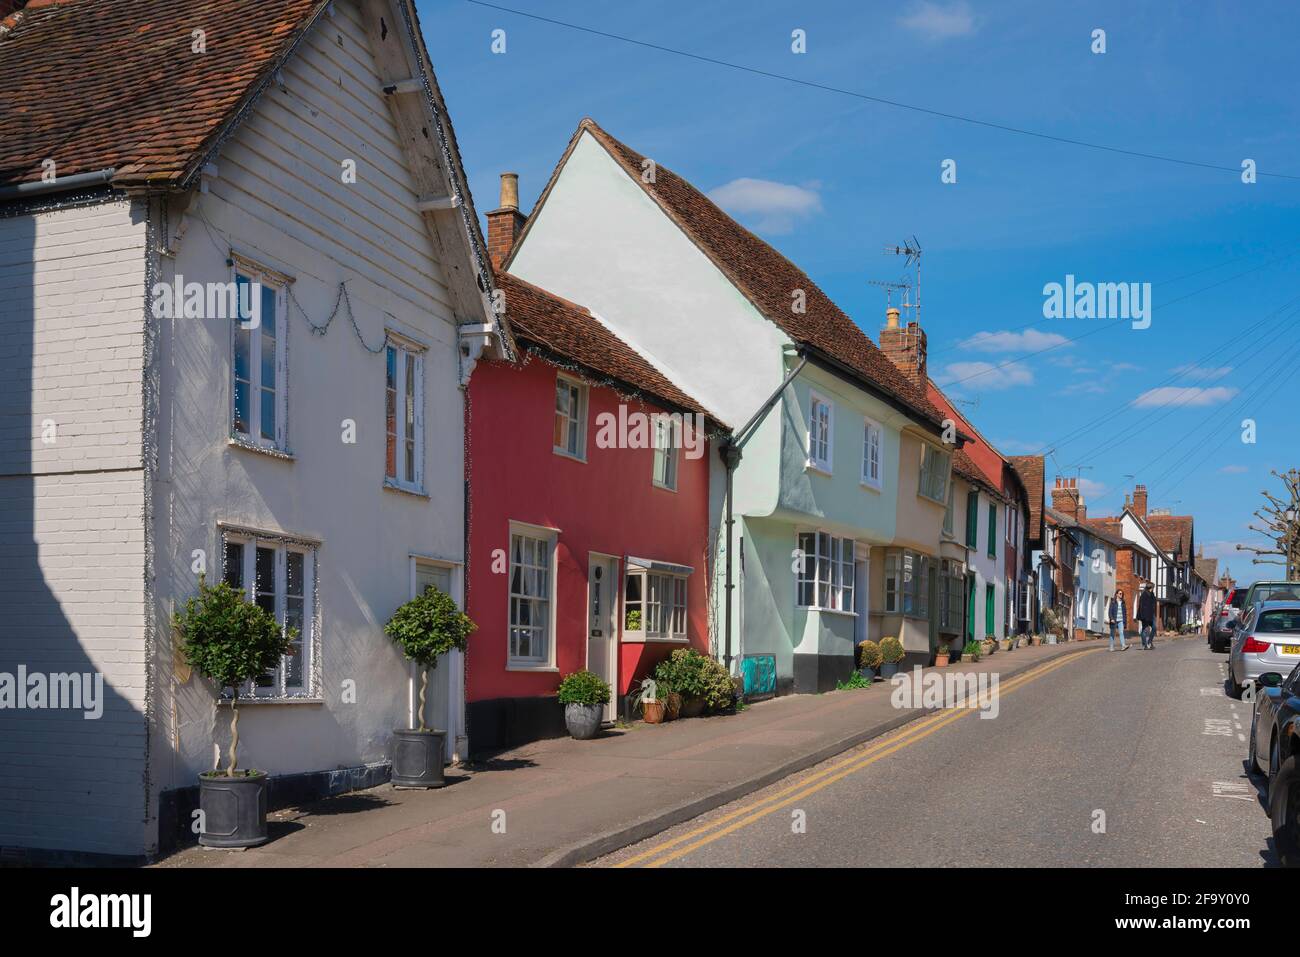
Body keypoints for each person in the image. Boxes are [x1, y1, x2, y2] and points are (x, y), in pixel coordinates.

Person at [1135, 580, 1157, 650]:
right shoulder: (1143, 595)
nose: (1153, 589)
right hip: (1145, 615)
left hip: (1151, 615)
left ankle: (1149, 642)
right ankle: (1145, 645)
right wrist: (1143, 617)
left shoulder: (1152, 595)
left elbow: (1153, 604)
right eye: (1153, 588)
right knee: (1144, 630)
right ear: (1151, 588)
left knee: (1154, 628)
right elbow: (1141, 607)